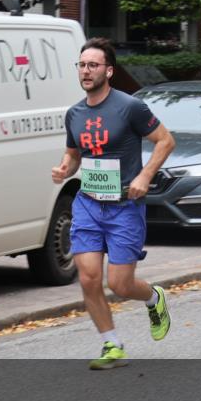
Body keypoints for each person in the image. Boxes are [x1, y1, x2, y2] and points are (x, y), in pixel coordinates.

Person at [51, 38, 176, 370]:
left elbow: (166, 140)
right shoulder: (74, 114)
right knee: (89, 278)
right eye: (82, 65)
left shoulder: (129, 107)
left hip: (124, 206)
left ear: (109, 70)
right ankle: (112, 344)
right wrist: (65, 167)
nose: (86, 71)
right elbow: (75, 155)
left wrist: (145, 176)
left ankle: (154, 298)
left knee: (119, 284)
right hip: (88, 204)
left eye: (93, 65)